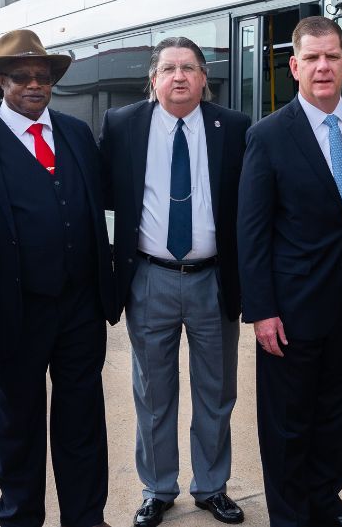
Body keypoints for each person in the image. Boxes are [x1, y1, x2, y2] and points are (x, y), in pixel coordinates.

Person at [0, 29, 119, 527]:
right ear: (1, 83)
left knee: (83, 420)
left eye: (44, 77)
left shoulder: (77, 133)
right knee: (17, 425)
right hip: (11, 310)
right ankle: (20, 518)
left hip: (80, 307)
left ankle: (87, 517)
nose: (35, 85)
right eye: (22, 77)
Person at [237, 15, 342, 527]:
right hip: (291, 313)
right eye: (312, 58)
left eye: (332, 57)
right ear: (295, 66)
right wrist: (261, 311)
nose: (323, 67)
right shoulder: (268, 136)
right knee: (287, 425)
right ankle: (291, 516)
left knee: (336, 416)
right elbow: (251, 233)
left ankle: (326, 501)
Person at [98, 36, 249, 527]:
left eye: (189, 68)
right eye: (169, 68)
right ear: (154, 78)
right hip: (149, 278)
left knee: (216, 391)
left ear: (205, 78)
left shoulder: (235, 128)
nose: (179, 76)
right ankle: (158, 489)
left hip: (214, 279)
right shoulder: (122, 126)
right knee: (152, 392)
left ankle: (211, 486)